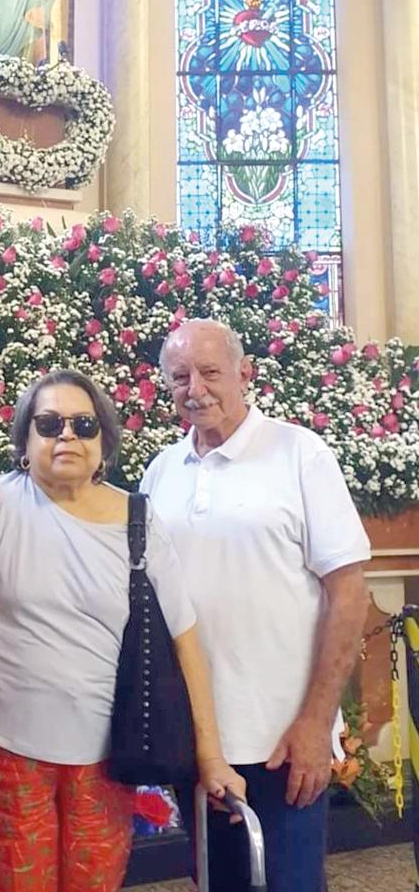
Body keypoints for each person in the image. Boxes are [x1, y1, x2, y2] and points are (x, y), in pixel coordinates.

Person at [0, 369, 245, 892]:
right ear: (25, 441)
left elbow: (186, 643)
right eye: (49, 423)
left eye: (83, 424)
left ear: (103, 443)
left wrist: (210, 756)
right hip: (4, 752)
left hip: (106, 757)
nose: (66, 435)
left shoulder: (139, 518)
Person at [142, 319, 371, 892]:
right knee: (217, 884)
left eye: (211, 372)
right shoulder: (161, 471)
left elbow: (349, 593)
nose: (195, 387)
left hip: (282, 740)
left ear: (247, 373)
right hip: (197, 740)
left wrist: (317, 723)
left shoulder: (300, 453)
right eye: (179, 376)